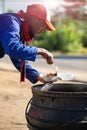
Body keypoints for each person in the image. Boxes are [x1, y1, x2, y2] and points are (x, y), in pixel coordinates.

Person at [0, 4, 56, 84]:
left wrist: (40, 76)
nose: (43, 29)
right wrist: (41, 51)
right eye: (43, 25)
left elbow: (18, 58)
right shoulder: (11, 21)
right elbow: (12, 48)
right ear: (33, 19)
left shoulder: (20, 28)